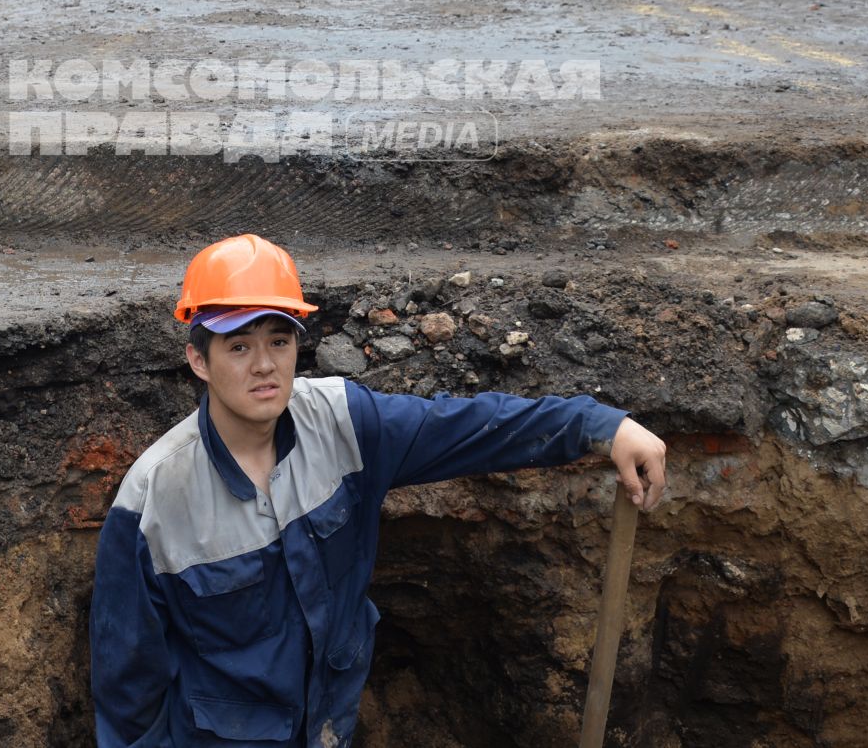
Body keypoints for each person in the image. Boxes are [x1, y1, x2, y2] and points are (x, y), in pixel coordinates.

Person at [90, 234, 669, 748]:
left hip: (331, 724)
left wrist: (600, 425)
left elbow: (468, 428)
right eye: (238, 347)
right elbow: (128, 688)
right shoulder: (154, 499)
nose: (264, 366)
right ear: (199, 359)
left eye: (278, 341)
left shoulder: (344, 423)